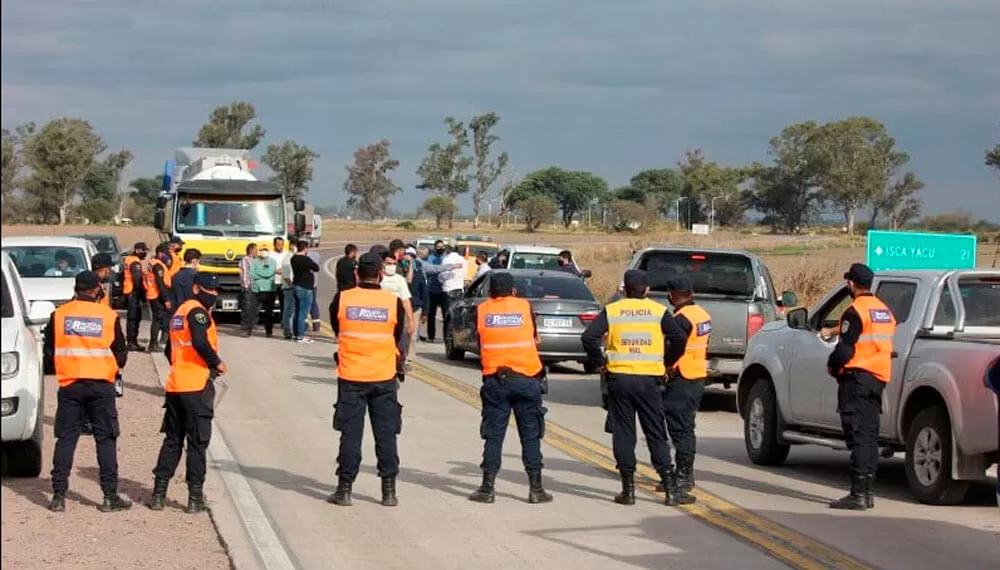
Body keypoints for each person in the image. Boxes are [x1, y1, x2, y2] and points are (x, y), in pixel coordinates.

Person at [581, 269, 693, 506]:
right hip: (649, 380)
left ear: (624, 290)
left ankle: (628, 490)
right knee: (655, 433)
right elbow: (680, 338)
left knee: (623, 433)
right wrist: (667, 363)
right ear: (647, 290)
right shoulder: (657, 311)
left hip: (619, 379)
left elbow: (589, 337)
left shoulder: (613, 310)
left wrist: (601, 364)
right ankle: (671, 489)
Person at [43, 271, 130, 512]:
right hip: (101, 387)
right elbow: (121, 355)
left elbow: (49, 353)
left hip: (70, 386)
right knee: (106, 439)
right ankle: (109, 496)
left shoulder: (59, 315)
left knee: (66, 438)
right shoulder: (108, 315)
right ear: (97, 289)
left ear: (76, 288)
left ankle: (58, 496)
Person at [327, 252, 406, 507]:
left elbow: (337, 329)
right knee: (386, 434)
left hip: (351, 376)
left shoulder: (343, 298)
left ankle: (345, 489)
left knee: (350, 435)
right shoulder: (392, 301)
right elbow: (397, 335)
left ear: (356, 274)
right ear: (381, 275)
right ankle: (389, 491)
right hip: (384, 377)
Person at [467, 272, 553, 504]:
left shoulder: (483, 310)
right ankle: (536, 489)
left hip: (496, 380)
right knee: (530, 434)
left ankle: (487, 488)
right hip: (526, 379)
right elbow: (536, 338)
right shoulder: (524, 307)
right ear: (513, 291)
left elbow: (479, 341)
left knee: (494, 435)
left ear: (490, 292)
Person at [149, 273, 227, 514]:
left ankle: (158, 495)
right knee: (197, 444)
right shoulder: (198, 313)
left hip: (176, 386)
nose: (213, 295)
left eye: (215, 291)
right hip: (196, 386)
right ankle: (194, 497)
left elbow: (170, 350)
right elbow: (200, 343)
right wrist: (216, 363)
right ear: (196, 288)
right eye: (209, 290)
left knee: (172, 440)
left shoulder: (179, 314)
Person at [826, 263, 897, 510]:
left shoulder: (854, 311)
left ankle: (858, 494)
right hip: (877, 379)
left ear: (851, 284)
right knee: (868, 435)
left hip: (856, 379)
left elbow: (845, 349)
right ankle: (867, 493)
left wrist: (833, 366)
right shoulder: (884, 311)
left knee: (858, 436)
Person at [661, 275, 712, 495]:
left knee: (679, 428)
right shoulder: (702, 315)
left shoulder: (681, 318)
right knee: (687, 427)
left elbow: (677, 345)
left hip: (681, 376)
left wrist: (667, 365)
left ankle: (682, 476)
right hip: (697, 374)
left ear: (672, 295)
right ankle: (687, 475)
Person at [379, 250, 416, 364]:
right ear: (382, 263)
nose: (391, 266)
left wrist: (411, 320)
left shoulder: (399, 279)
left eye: (394, 264)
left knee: (401, 340)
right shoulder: (377, 278)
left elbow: (406, 300)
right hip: (380, 316)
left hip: (396, 316)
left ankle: (399, 362)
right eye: (388, 263)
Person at [144, 243, 173, 352]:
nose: (168, 256)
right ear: (160, 254)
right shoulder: (158, 265)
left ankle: (154, 344)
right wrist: (166, 299)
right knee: (157, 320)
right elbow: (160, 283)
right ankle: (153, 344)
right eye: (165, 254)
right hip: (157, 295)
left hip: (153, 294)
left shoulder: (154, 263)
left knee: (157, 320)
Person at [291, 239, 320, 343]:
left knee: (297, 311)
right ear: (305, 248)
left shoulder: (293, 258)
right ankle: (300, 336)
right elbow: (316, 267)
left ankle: (296, 333)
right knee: (303, 313)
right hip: (305, 287)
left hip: (296, 285)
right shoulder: (305, 259)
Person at [244, 246, 277, 337]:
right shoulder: (254, 262)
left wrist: (259, 274)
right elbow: (251, 274)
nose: (264, 252)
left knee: (269, 312)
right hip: (256, 290)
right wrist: (265, 275)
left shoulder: (273, 262)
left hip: (269, 290)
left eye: (266, 250)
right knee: (252, 311)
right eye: (262, 250)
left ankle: (269, 331)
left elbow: (270, 273)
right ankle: (248, 330)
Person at [122, 242, 148, 352]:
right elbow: (137, 280)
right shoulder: (134, 262)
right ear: (137, 250)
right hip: (133, 292)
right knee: (134, 318)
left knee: (134, 318)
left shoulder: (128, 259)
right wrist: (142, 295)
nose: (145, 253)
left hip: (129, 291)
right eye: (143, 251)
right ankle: (131, 342)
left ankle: (133, 341)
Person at [405, 246, 429, 347]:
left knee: (412, 334)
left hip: (415, 307)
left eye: (411, 257)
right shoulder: (399, 272)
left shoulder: (419, 274)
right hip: (401, 307)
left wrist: (425, 312)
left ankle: (408, 357)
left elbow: (425, 294)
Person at [271, 237, 290, 335]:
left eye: (282, 244)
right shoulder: (270, 255)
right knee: (270, 304)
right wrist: (275, 270)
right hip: (273, 282)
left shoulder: (286, 254)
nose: (280, 246)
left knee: (284, 304)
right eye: (278, 244)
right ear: (274, 245)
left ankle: (284, 322)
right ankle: (269, 323)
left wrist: (283, 271)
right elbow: (267, 267)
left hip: (283, 282)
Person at [238, 243, 258, 332]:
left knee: (254, 306)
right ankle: (245, 326)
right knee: (247, 306)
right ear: (250, 250)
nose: (257, 252)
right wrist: (246, 285)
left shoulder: (255, 260)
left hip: (255, 286)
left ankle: (252, 324)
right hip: (248, 286)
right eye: (255, 250)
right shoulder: (245, 260)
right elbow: (245, 273)